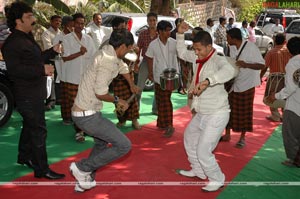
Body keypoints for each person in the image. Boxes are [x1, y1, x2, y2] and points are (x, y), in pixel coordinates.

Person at [1, 1, 65, 179]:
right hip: (26, 94)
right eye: (29, 17)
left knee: (30, 126)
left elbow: (35, 59)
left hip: (34, 92)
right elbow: (15, 70)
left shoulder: (26, 37)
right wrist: (42, 69)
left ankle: (24, 157)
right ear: (18, 21)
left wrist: (51, 51)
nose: (34, 19)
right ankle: (41, 169)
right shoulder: (12, 43)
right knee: (38, 129)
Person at [175, 22, 236, 192]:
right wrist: (180, 34)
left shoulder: (218, 59)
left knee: (203, 149)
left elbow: (229, 71)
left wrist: (208, 81)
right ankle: (199, 170)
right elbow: (181, 52)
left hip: (217, 112)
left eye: (199, 49)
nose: (196, 52)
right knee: (189, 137)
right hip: (201, 111)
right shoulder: (197, 57)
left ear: (209, 46)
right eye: (194, 49)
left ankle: (217, 178)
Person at [69, 29, 133, 192]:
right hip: (86, 116)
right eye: (129, 49)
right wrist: (119, 101)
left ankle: (84, 178)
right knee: (124, 145)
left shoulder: (107, 51)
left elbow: (123, 66)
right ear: (123, 46)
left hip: (84, 112)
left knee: (102, 142)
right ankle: (82, 167)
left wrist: (132, 84)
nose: (128, 52)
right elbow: (101, 93)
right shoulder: (107, 60)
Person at [220, 28, 265, 148]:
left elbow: (262, 64)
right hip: (234, 83)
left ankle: (242, 138)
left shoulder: (251, 47)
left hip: (247, 84)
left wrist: (246, 65)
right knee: (228, 108)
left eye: (228, 37)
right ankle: (227, 134)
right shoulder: (232, 47)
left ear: (234, 38)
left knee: (245, 111)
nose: (227, 40)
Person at [265, 36, 300, 168]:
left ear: (290, 50)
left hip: (296, 105)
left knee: (289, 133)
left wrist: (276, 96)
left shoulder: (293, 63)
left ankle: (293, 159)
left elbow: (291, 87)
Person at [62, 13, 96, 142]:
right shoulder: (67, 39)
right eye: (78, 23)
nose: (80, 26)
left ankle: (86, 128)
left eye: (82, 23)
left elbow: (93, 58)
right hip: (72, 78)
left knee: (86, 105)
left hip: (86, 79)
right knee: (76, 106)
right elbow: (65, 58)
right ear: (73, 24)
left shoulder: (88, 39)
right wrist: (79, 53)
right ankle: (79, 131)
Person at [145, 20, 179, 137]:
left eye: (170, 30)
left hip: (171, 76)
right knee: (161, 100)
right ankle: (162, 123)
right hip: (158, 76)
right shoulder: (153, 44)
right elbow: (149, 58)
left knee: (166, 100)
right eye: (166, 30)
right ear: (159, 31)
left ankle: (169, 125)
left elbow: (181, 55)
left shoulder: (174, 42)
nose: (169, 32)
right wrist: (150, 72)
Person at [261, 33, 292, 122]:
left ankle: (275, 116)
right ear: (285, 41)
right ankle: (284, 115)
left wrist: (260, 77)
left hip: (275, 78)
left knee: (272, 95)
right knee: (286, 97)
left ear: (274, 41)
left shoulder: (271, 52)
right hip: (287, 78)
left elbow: (264, 67)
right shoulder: (289, 51)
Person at [134, 12, 158, 115]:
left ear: (156, 21)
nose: (152, 22)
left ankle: (155, 109)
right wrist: (136, 63)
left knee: (158, 86)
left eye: (154, 20)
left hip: (158, 62)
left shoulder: (160, 34)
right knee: (139, 86)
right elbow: (138, 49)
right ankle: (136, 109)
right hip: (145, 61)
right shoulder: (142, 34)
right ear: (147, 21)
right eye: (150, 20)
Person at [52, 15, 74, 125]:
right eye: (70, 26)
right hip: (62, 69)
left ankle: (73, 116)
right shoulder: (58, 37)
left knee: (73, 96)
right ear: (65, 26)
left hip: (73, 69)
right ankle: (66, 118)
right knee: (65, 96)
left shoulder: (75, 37)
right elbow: (56, 53)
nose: (72, 28)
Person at [41, 15, 62, 110]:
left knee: (58, 79)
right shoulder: (46, 33)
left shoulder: (61, 33)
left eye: (59, 21)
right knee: (50, 81)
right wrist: (57, 48)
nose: (58, 23)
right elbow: (48, 48)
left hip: (59, 59)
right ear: (51, 22)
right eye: (56, 21)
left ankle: (57, 99)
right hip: (49, 59)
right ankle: (50, 101)